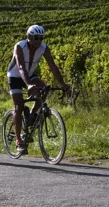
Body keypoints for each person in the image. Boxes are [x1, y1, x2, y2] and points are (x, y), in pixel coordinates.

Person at [6, 24, 70, 153]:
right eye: (36, 38)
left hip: (30, 74)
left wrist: (63, 83)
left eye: (41, 38)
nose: (38, 41)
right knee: (18, 106)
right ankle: (19, 141)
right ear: (28, 37)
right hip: (15, 75)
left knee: (44, 90)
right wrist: (28, 84)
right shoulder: (20, 46)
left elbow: (53, 66)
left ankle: (32, 116)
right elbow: (21, 68)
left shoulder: (43, 48)